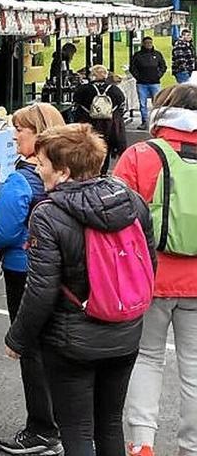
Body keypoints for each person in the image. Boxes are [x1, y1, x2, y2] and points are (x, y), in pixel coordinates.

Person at [5, 124, 156, 456]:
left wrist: (18, 338)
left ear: (63, 171)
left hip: (71, 339)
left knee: (76, 429)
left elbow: (41, 289)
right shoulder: (131, 201)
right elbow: (148, 265)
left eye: (42, 162)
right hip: (125, 331)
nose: (37, 167)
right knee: (110, 424)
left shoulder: (49, 213)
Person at [114, 84, 197, 456]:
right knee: (194, 370)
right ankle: (191, 447)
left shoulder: (140, 155)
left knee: (146, 358)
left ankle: (141, 443)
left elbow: (113, 216)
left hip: (148, 277)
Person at [0, 103, 66, 456]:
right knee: (58, 348)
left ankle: (41, 429)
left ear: (41, 134)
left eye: (22, 129)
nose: (15, 134)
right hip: (65, 270)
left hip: (24, 270)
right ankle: (64, 423)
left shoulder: (23, 179)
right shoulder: (69, 174)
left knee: (30, 350)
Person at [72, 65, 127, 174]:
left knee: (88, 147)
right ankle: (103, 170)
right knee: (105, 147)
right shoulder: (115, 90)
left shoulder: (84, 90)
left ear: (92, 76)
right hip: (109, 126)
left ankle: (88, 170)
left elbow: (76, 103)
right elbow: (121, 106)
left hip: (89, 124)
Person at [130, 37, 167, 129]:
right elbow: (132, 68)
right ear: (143, 44)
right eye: (146, 43)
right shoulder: (137, 55)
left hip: (155, 82)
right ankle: (144, 121)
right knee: (143, 104)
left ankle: (156, 121)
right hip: (142, 83)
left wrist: (158, 75)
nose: (148, 44)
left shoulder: (157, 54)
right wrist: (138, 77)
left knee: (157, 103)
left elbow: (163, 66)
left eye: (150, 43)